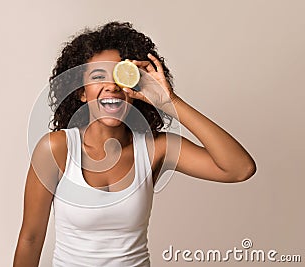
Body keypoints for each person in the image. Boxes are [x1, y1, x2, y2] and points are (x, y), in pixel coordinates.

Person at [13, 21, 256, 267]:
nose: (112, 86)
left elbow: (239, 169)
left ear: (135, 87)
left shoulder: (155, 149)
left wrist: (169, 100)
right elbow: (31, 239)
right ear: (81, 92)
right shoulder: (57, 148)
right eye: (98, 76)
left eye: (121, 75)